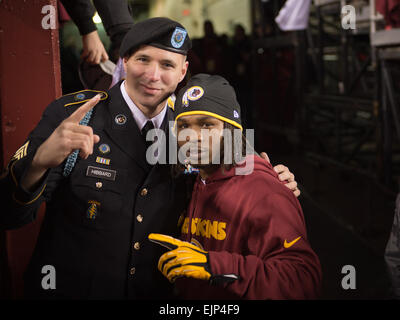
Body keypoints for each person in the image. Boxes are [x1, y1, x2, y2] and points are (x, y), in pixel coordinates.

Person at [0, 17, 299, 299]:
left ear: (182, 72)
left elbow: (237, 176)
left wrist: (273, 182)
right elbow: (8, 214)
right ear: (125, 61)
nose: (153, 76)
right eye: (143, 59)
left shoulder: (190, 131)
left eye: (167, 64)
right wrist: (38, 163)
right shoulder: (76, 116)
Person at [149, 74, 321, 299]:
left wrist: (216, 266)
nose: (193, 137)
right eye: (183, 126)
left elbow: (302, 279)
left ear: (231, 130)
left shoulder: (263, 190)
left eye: (207, 124)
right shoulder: (193, 181)